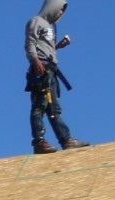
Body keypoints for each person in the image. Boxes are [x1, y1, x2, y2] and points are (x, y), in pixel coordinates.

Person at [25, 0, 90, 154]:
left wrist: (58, 46)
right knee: (40, 105)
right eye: (60, 9)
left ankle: (65, 139)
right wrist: (35, 61)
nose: (61, 13)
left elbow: (45, 48)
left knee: (53, 108)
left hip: (51, 71)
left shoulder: (51, 27)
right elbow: (30, 43)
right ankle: (39, 142)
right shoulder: (36, 21)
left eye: (63, 11)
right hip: (41, 71)